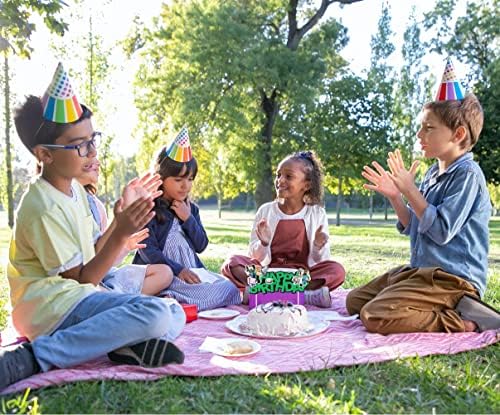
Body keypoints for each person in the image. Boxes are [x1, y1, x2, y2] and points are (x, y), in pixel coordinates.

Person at [0, 63, 185, 391]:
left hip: (76, 297)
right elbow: (85, 277)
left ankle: (122, 344)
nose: (92, 152)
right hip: (48, 308)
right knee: (157, 315)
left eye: (93, 140)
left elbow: (92, 258)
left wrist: (118, 220)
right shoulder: (42, 205)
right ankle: (35, 357)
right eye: (80, 145)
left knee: (174, 311)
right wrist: (124, 230)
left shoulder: (73, 191)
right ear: (45, 154)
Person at [346, 59, 500, 334]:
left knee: (373, 316)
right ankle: (433, 305)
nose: (419, 134)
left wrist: (410, 190)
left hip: (452, 280)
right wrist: (396, 196)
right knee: (354, 301)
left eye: (429, 128)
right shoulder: (432, 173)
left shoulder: (468, 175)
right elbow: (416, 225)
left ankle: (467, 320)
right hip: (421, 272)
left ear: (458, 134)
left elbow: (440, 230)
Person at [133, 127, 241, 311]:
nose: (186, 186)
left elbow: (201, 245)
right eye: (178, 179)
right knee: (206, 295)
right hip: (166, 273)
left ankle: (177, 301)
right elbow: (148, 251)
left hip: (192, 274)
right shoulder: (149, 209)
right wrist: (179, 270)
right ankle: (168, 296)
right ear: (161, 178)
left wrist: (187, 218)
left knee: (229, 288)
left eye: (190, 179)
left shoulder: (191, 209)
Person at [221, 150, 346, 308]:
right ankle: (303, 296)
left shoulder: (316, 213)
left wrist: (317, 247)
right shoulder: (265, 211)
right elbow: (254, 257)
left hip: (302, 277)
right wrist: (264, 244)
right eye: (278, 175)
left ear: (306, 185)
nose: (280, 180)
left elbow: (320, 260)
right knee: (232, 262)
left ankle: (263, 293)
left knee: (336, 270)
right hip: (267, 274)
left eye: (288, 176)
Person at [78, 158, 174, 296]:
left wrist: (123, 246)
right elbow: (82, 277)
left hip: (104, 277)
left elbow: (102, 256)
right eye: (85, 149)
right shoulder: (57, 204)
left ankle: (118, 299)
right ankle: (120, 300)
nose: (97, 161)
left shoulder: (96, 206)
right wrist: (120, 232)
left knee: (165, 273)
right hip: (85, 284)